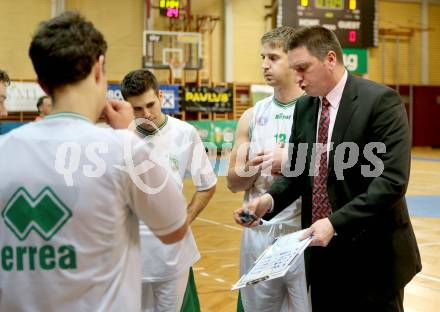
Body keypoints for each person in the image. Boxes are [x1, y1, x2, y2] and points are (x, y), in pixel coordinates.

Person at [0, 11, 188, 311]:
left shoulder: (4, 150)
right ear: (99, 68)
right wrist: (130, 135)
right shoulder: (122, 147)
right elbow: (175, 227)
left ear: (42, 84)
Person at [234, 26, 421, 312]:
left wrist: (335, 223)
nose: (297, 77)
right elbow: (297, 173)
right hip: (321, 255)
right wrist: (268, 201)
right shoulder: (306, 107)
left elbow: (391, 182)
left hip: (373, 256)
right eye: (294, 68)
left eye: (303, 68)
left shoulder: (380, 102)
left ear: (330, 59)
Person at [121, 68, 217, 312]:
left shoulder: (185, 133)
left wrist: (185, 220)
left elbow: (207, 185)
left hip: (172, 255)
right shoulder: (118, 139)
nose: (146, 114)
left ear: (161, 96)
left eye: (150, 105)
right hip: (130, 255)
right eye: (137, 109)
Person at [227, 26, 309, 312]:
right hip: (259, 233)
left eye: (272, 57)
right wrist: (250, 166)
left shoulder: (316, 110)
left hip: (303, 232)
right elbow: (233, 183)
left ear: (294, 60)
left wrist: (289, 161)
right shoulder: (252, 115)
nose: (264, 64)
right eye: (263, 57)